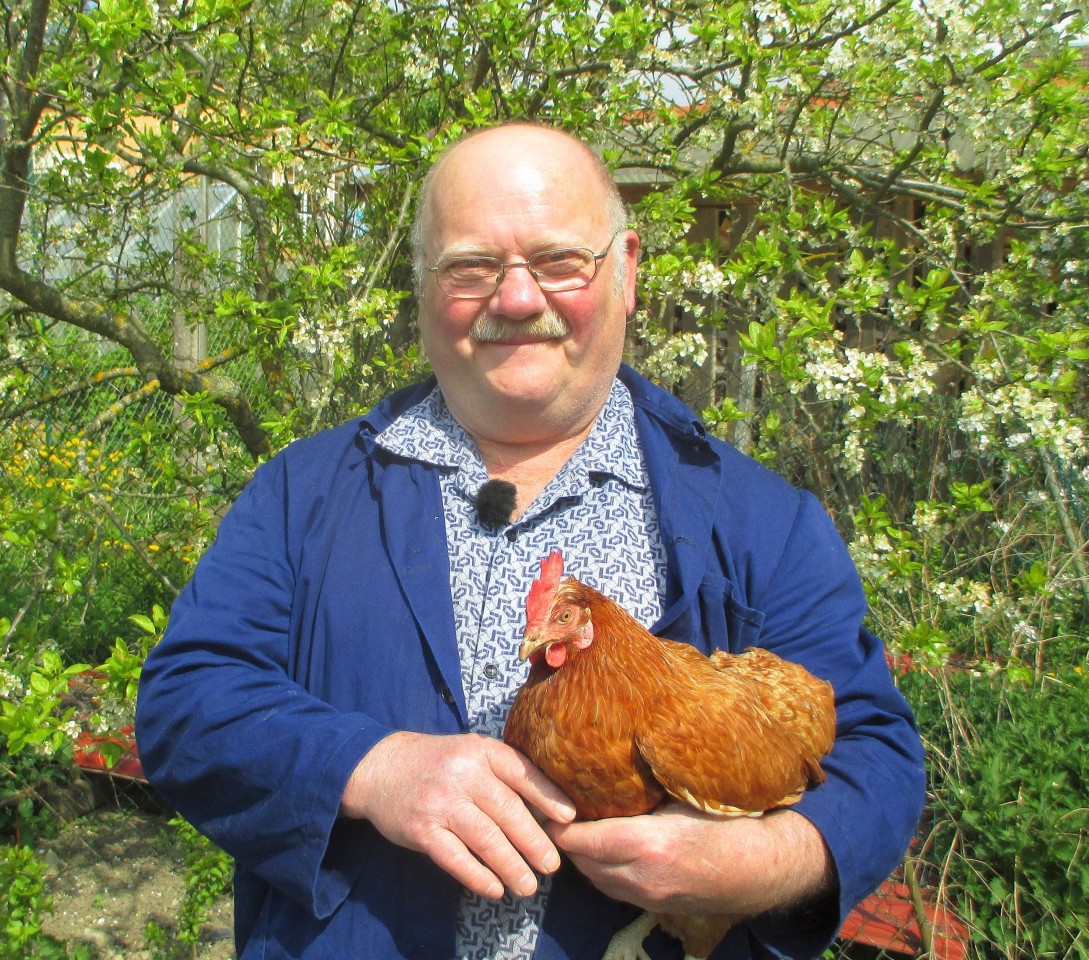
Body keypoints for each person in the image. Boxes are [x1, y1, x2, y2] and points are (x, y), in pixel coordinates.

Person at [135, 122, 925, 960]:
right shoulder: (304, 493)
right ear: (422, 289)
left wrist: (771, 859)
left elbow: (873, 749)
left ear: (625, 271)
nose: (515, 299)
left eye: (558, 262)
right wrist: (370, 767)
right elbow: (188, 699)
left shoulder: (760, 520)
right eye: (471, 267)